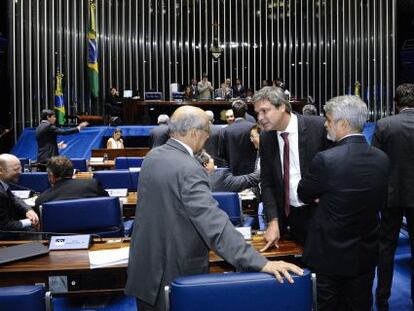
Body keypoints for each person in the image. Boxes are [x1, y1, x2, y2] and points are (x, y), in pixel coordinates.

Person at [125, 105, 303, 311]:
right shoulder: (189, 168)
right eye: (207, 132)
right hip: (171, 272)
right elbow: (213, 224)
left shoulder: (152, 157)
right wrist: (261, 263)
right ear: (194, 133)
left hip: (145, 269)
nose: (208, 138)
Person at [297, 95, 389, 310]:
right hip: (365, 251)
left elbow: (303, 194)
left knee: (329, 305)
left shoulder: (326, 159)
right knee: (361, 304)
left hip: (330, 254)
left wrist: (324, 196)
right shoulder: (381, 158)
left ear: (343, 123)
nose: (325, 124)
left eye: (328, 120)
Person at [253, 86, 329, 249]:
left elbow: (338, 168)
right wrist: (273, 220)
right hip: (290, 219)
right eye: (257, 113)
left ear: (282, 106)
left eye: (265, 111)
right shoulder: (266, 138)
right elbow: (267, 183)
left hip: (322, 215)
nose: (260, 117)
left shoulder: (319, 126)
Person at [373, 83, 414, 310]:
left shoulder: (384, 125)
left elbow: (376, 163)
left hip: (390, 196)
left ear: (396, 103)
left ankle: (382, 299)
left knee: (386, 248)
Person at [35, 156, 108, 211]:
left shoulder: (42, 200)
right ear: (72, 171)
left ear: (51, 175)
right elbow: (107, 203)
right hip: (96, 230)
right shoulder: (93, 184)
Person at [0, 154, 39, 235]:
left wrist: (28, 209)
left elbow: (14, 198)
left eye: (20, 168)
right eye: (16, 169)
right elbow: (4, 227)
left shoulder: (3, 184)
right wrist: (30, 221)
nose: (20, 172)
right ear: (1, 170)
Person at [221, 100, 257, 175]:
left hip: (232, 172)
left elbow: (222, 154)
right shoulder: (253, 127)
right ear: (245, 113)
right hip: (251, 171)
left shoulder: (224, 131)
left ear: (234, 113)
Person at [195, 151, 260, 192]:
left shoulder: (190, 180)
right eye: (211, 159)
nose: (213, 160)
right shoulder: (219, 178)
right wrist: (266, 168)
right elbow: (249, 180)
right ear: (206, 164)